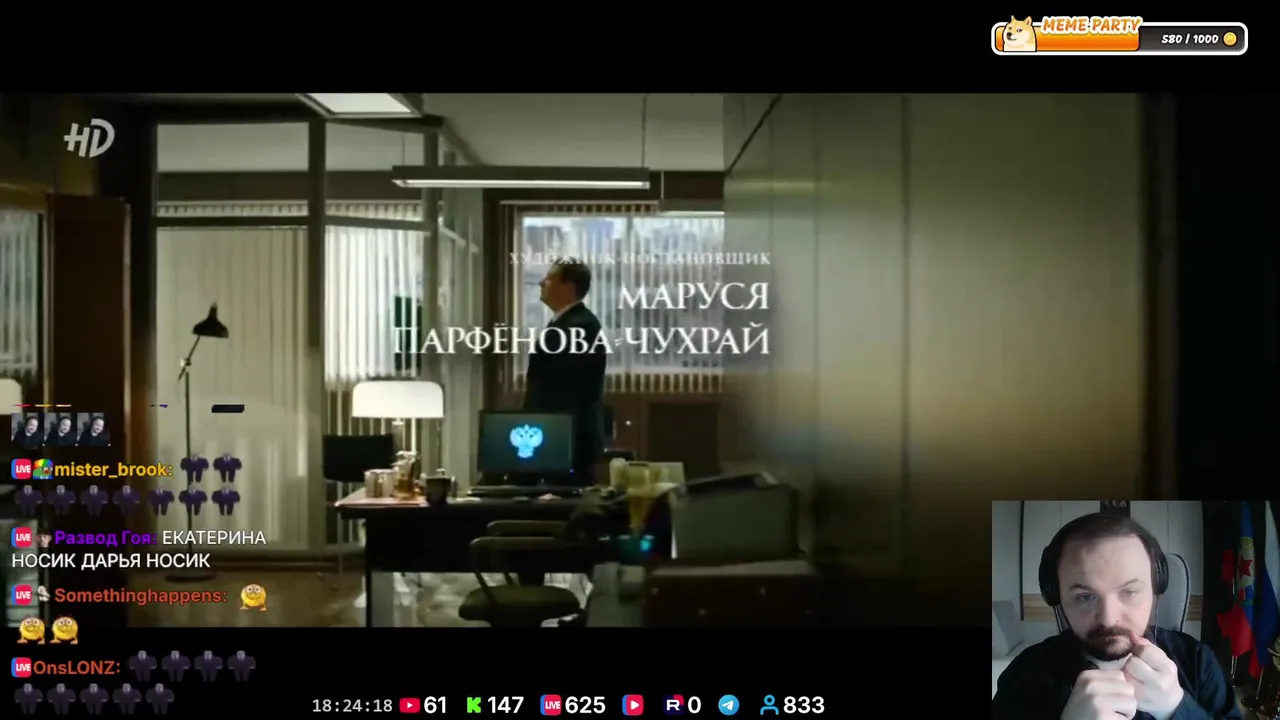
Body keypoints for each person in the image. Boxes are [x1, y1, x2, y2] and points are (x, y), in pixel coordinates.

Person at [992, 512, 1243, 720]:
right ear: (1055, 595)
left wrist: (1177, 709)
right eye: (1085, 597)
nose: (1109, 619)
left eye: (1130, 592)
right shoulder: (1024, 676)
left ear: (1155, 588)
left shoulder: (1198, 662)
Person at [522, 258, 607, 487]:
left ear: (569, 288)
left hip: (565, 441)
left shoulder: (580, 327)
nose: (541, 283)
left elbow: (562, 392)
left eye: (550, 279)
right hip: (556, 437)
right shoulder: (568, 323)